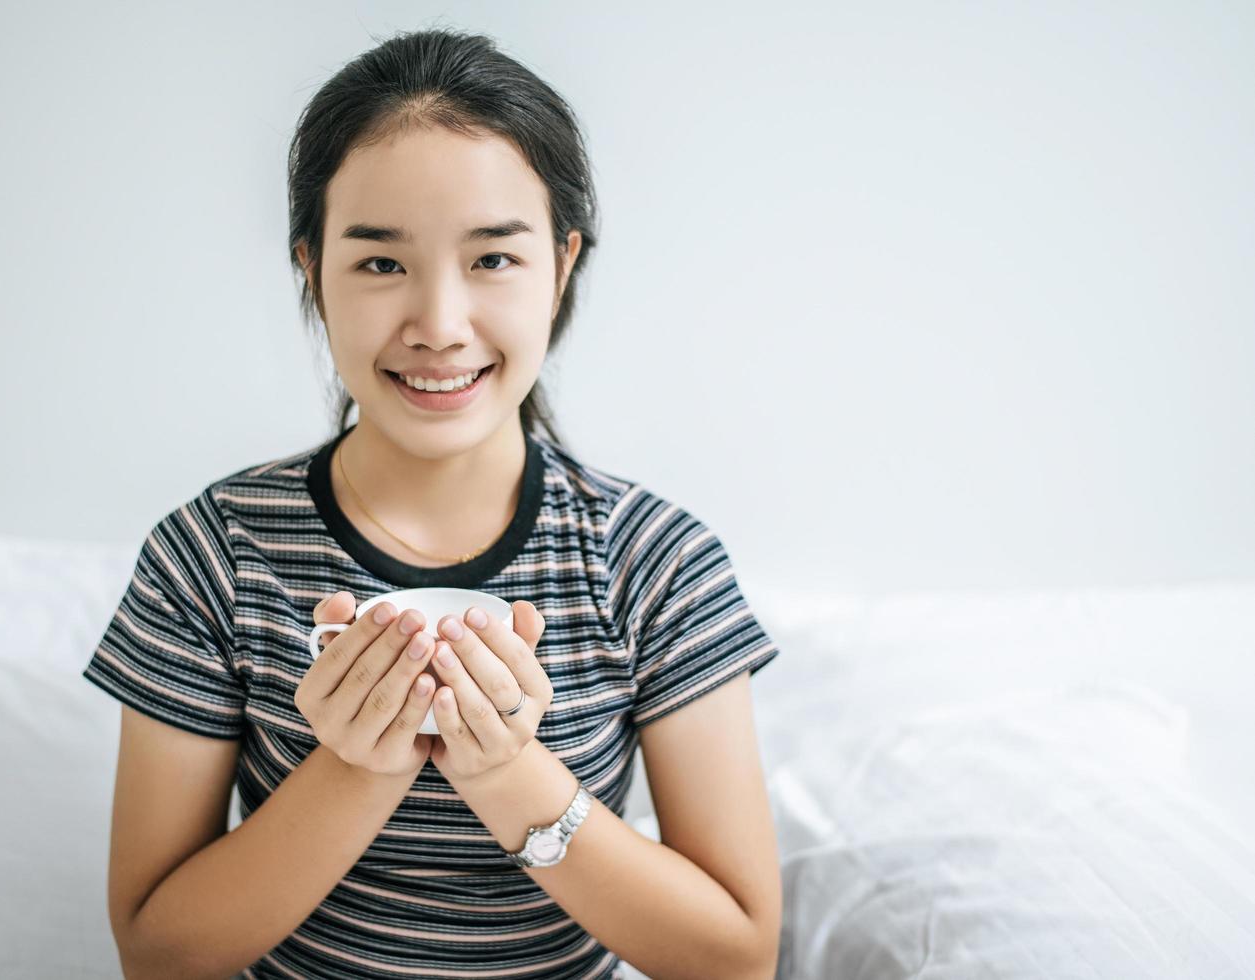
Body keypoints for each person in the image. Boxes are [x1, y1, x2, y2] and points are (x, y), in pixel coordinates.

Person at [82, 27, 783, 980]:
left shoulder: (654, 559)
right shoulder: (215, 553)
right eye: (379, 263)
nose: (440, 326)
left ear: (562, 264)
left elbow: (735, 956)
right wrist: (355, 769)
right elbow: (158, 955)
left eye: (492, 260)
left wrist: (506, 773)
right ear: (310, 269)